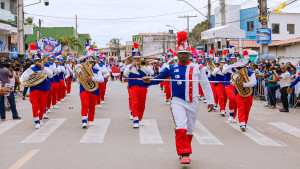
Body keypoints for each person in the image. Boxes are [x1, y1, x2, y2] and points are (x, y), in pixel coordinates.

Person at [143, 31, 214, 164]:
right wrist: (148, 81)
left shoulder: (198, 68)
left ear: (189, 55)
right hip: (177, 101)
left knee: (190, 128)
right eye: (180, 54)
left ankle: (185, 149)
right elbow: (159, 79)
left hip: (193, 101)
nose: (182, 56)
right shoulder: (171, 67)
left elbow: (205, 86)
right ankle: (184, 153)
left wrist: (210, 101)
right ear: (177, 55)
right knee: (180, 126)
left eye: (185, 54)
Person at [124, 42, 154, 128]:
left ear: (140, 58)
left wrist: (144, 66)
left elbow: (152, 73)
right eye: (135, 58)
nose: (137, 59)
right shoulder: (129, 66)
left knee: (141, 104)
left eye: (138, 58)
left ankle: (139, 119)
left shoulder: (144, 65)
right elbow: (125, 75)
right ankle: (135, 120)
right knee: (134, 103)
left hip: (143, 87)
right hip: (133, 87)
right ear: (133, 58)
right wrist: (131, 66)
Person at [22, 54, 53, 128]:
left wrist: (43, 67)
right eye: (36, 60)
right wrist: (30, 75)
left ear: (41, 60)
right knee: (34, 104)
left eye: (38, 60)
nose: (37, 62)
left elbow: (51, 75)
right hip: (34, 88)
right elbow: (23, 79)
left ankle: (40, 118)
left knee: (42, 106)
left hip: (44, 88)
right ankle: (36, 121)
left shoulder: (45, 67)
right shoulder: (31, 68)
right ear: (34, 61)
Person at [76, 56, 104, 128]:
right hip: (84, 89)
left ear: (94, 63)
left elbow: (102, 79)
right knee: (85, 104)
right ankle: (84, 120)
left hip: (94, 90)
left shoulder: (97, 71)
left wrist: (93, 78)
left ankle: (90, 120)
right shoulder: (82, 70)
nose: (90, 63)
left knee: (92, 106)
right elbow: (78, 82)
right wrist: (81, 76)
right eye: (89, 62)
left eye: (92, 62)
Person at [232, 59, 256, 131]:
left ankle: (245, 123)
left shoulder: (251, 73)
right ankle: (242, 123)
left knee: (247, 109)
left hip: (249, 93)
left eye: (244, 68)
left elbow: (253, 83)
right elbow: (232, 82)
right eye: (240, 68)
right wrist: (235, 82)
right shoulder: (236, 74)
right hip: (239, 93)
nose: (242, 69)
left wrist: (244, 84)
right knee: (241, 108)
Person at [222, 53, 237, 122]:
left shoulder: (238, 66)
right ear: (229, 59)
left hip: (236, 85)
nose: (233, 60)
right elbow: (224, 71)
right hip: (228, 84)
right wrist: (231, 65)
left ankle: (233, 116)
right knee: (232, 98)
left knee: (236, 101)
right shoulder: (226, 65)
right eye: (232, 59)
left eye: (234, 59)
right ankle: (231, 114)